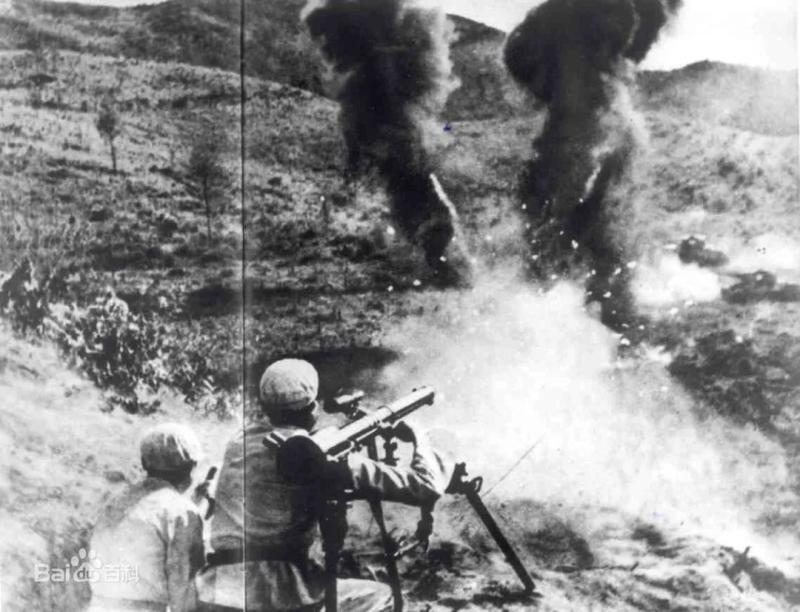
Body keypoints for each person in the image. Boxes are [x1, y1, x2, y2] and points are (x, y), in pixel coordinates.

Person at [196, 359, 452, 612]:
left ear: (265, 406)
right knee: (384, 597)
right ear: (313, 409)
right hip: (283, 589)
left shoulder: (238, 444)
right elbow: (426, 486)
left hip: (220, 588)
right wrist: (419, 436)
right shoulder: (319, 460)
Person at [88, 423, 207, 612]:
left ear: (144, 463)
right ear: (190, 466)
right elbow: (182, 590)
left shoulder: (114, 502)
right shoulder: (182, 512)